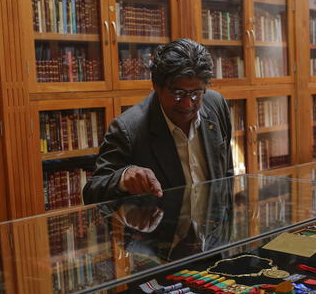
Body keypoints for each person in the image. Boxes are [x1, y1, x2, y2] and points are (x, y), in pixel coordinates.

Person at [83, 38, 234, 204]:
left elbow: (226, 173)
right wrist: (123, 178)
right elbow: (92, 191)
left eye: (195, 93)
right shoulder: (127, 129)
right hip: (162, 228)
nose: (187, 104)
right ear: (156, 86)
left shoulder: (216, 104)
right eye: (178, 93)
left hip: (213, 227)